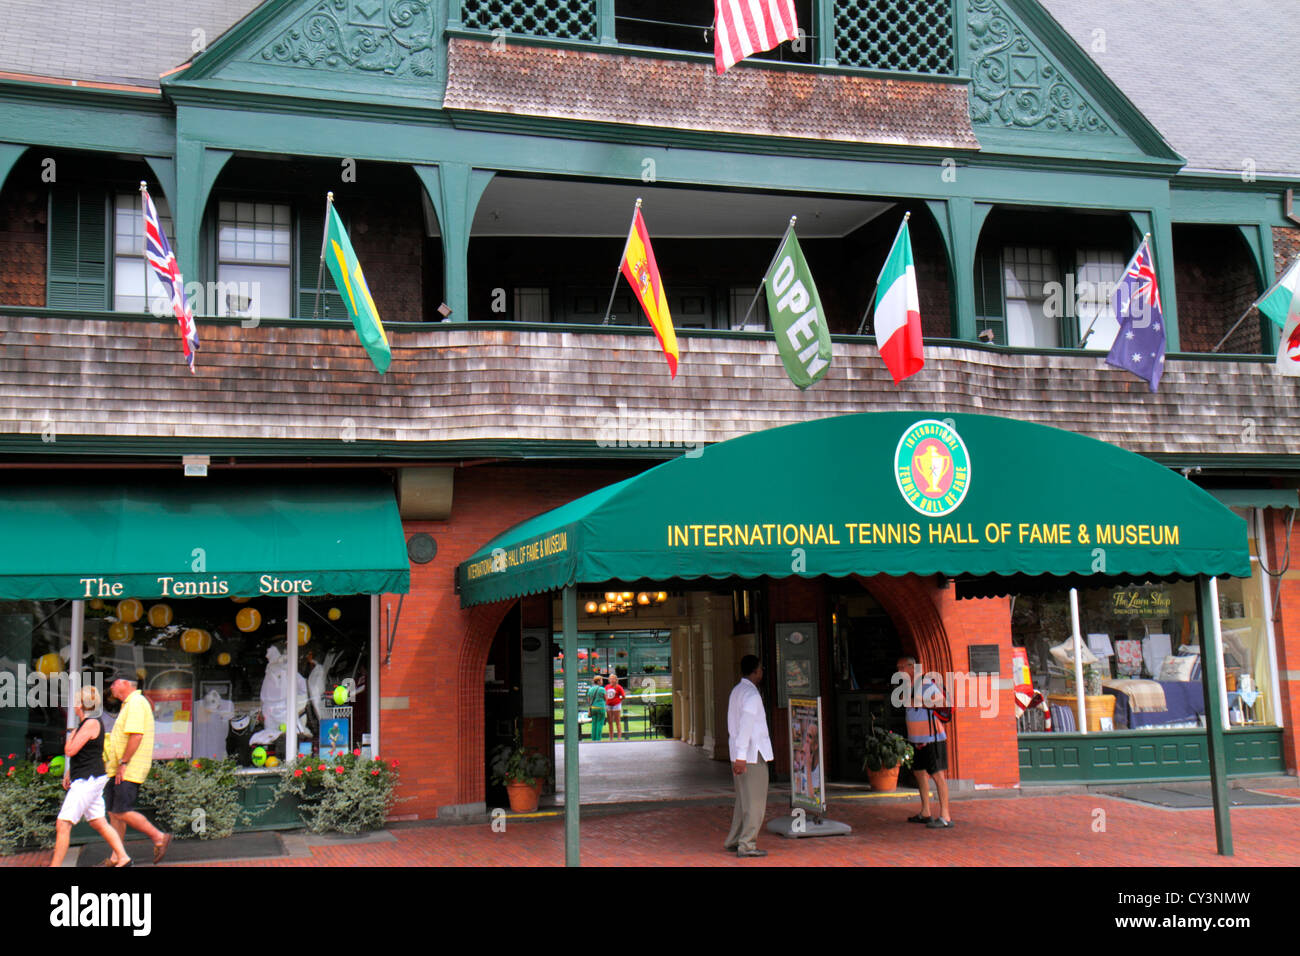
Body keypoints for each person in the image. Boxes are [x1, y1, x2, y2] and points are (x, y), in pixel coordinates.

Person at [49, 685, 131, 867]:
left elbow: (70, 750)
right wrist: (70, 772)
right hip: (89, 777)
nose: (73, 705)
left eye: (76, 701)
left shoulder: (91, 723)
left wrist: (69, 737)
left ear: (81, 704)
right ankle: (123, 857)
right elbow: (86, 753)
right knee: (98, 822)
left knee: (63, 823)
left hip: (88, 779)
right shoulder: (87, 723)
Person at [103, 673, 171, 863]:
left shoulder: (135, 703)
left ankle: (159, 836)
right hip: (118, 768)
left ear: (125, 683)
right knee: (114, 813)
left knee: (120, 811)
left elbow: (136, 736)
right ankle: (117, 855)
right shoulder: (128, 704)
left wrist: (124, 763)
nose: (112, 688)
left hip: (129, 768)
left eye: (114, 683)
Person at [724, 655, 772, 858]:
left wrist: (738, 755)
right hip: (752, 754)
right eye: (760, 668)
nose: (762, 672)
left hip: (739, 753)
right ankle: (747, 844)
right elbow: (746, 726)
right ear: (755, 671)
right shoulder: (752, 695)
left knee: (744, 800)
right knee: (755, 802)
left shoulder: (737, 691)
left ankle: (735, 839)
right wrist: (743, 755)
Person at [897, 655, 952, 829]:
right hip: (916, 738)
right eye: (898, 668)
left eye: (902, 668)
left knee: (937, 775)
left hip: (931, 737)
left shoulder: (925, 684)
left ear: (912, 668)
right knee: (919, 773)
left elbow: (942, 702)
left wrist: (915, 702)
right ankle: (926, 812)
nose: (899, 672)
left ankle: (945, 816)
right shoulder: (908, 686)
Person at [604, 671, 626, 740]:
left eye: (613, 678)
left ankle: (619, 737)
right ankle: (611, 737)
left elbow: (623, 696)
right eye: (610, 678)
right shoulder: (607, 687)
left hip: (616, 705)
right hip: (608, 705)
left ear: (616, 680)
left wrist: (619, 700)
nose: (612, 680)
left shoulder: (618, 687)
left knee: (617, 721)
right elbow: (605, 695)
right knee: (610, 722)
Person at [586, 674, 606, 742]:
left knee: (594, 723)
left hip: (593, 708)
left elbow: (588, 699)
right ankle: (598, 738)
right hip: (600, 707)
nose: (602, 681)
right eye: (601, 680)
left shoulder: (590, 689)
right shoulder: (602, 689)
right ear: (598, 681)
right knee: (600, 723)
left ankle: (593, 738)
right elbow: (605, 698)